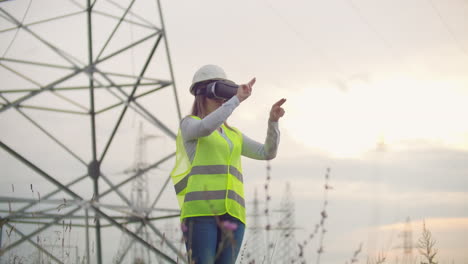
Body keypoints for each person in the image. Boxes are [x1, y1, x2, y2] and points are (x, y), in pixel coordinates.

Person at [170, 64, 286, 264]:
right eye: (217, 94)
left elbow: (268, 152)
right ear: (201, 94)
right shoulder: (189, 125)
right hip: (201, 213)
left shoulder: (234, 136)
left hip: (234, 215)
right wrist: (236, 100)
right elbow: (206, 126)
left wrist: (273, 122)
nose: (221, 100)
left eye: (225, 95)